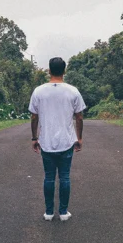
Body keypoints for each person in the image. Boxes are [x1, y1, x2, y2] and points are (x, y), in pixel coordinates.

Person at [29, 57, 86, 221]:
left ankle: (48, 212)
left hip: (46, 142)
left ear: (49, 70)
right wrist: (79, 138)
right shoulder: (73, 91)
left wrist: (34, 138)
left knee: (48, 177)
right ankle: (63, 212)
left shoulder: (38, 91)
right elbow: (79, 117)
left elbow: (34, 117)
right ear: (64, 71)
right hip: (66, 141)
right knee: (65, 177)